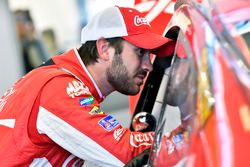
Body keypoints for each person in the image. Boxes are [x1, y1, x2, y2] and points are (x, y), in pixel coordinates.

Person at [0, 6, 174, 166]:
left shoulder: (55, 76)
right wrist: (187, 138)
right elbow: (127, 153)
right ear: (105, 49)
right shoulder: (59, 88)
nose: (148, 66)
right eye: (140, 52)